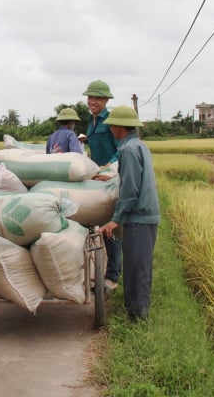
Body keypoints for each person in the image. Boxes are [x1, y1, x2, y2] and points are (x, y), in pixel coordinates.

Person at [98, 106, 160, 322]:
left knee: (137, 269)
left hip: (139, 217)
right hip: (144, 216)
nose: (111, 130)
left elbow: (131, 189)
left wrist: (115, 219)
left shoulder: (128, 150)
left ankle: (137, 318)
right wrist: (113, 179)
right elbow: (132, 179)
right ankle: (135, 313)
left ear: (118, 127)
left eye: (112, 126)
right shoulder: (139, 145)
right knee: (137, 266)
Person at [82, 80, 122, 292]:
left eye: (97, 98)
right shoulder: (92, 121)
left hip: (111, 178)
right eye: (90, 98)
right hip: (96, 180)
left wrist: (110, 168)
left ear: (106, 100)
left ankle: (112, 277)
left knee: (109, 229)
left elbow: (119, 149)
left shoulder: (110, 121)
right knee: (91, 224)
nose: (92, 101)